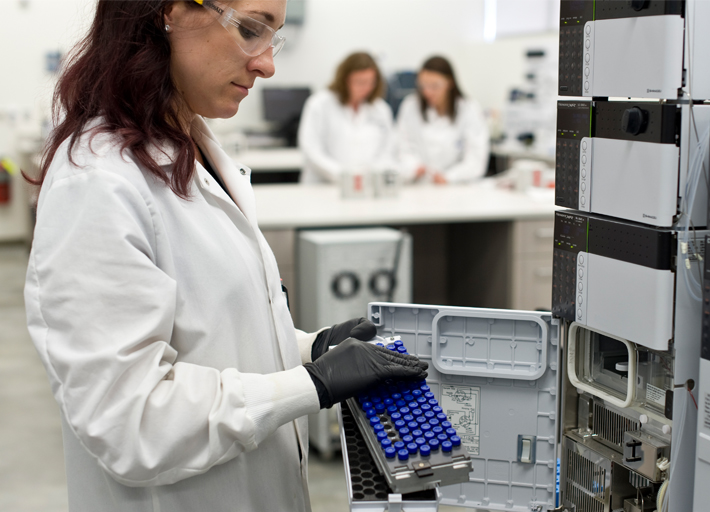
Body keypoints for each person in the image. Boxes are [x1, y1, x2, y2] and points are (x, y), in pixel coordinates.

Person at [23, 2, 427, 511]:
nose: (267, 64)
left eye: (272, 37)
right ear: (169, 12)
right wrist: (312, 385)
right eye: (251, 29)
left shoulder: (193, 147)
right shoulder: (97, 184)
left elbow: (212, 336)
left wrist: (310, 347)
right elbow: (131, 422)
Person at [298, 52, 395, 184]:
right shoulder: (319, 104)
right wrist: (344, 175)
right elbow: (311, 149)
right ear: (345, 80)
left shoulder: (381, 109)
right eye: (360, 82)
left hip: (366, 185)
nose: (366, 88)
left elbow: (387, 150)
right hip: (324, 186)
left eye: (370, 82)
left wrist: (369, 174)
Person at [396, 56, 490, 184]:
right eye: (423, 85)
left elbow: (476, 159)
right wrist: (414, 167)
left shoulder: (469, 109)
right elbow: (403, 147)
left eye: (435, 86)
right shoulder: (410, 106)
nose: (428, 92)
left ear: (449, 83)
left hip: (456, 186)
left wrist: (449, 177)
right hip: (419, 185)